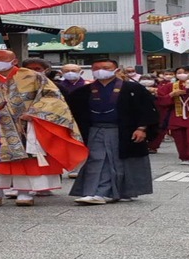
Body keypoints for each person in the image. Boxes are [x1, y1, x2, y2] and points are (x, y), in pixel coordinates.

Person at [0, 50, 87, 206]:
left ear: (14, 60)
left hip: (27, 125)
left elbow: (52, 97)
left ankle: (25, 192)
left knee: (27, 159)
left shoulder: (34, 77)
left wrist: (34, 112)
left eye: (2, 58)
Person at [66, 58, 158, 204]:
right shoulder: (82, 92)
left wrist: (142, 128)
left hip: (124, 131)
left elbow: (147, 109)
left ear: (116, 70)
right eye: (96, 68)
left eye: (105, 67)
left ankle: (115, 191)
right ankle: (97, 191)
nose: (100, 70)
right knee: (97, 161)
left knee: (120, 162)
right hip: (95, 130)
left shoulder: (133, 88)